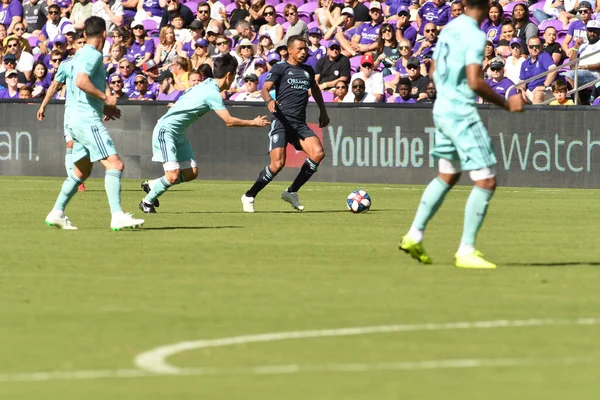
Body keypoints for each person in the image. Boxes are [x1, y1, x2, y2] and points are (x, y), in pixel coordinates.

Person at [399, 0, 523, 269]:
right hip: (460, 112)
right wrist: (507, 103)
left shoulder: (450, 28)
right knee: (486, 180)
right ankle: (466, 250)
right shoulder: (475, 35)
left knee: (448, 174)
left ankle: (414, 234)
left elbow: (431, 69)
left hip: (441, 108)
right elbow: (475, 81)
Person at [43, 16, 144, 231]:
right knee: (115, 165)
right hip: (86, 120)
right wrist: (106, 98)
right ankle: (117, 216)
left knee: (80, 172)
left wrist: (104, 106)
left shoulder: (80, 54)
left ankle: (57, 212)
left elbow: (80, 85)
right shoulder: (93, 54)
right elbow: (81, 81)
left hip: (75, 120)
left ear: (85, 35)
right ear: (104, 35)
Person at [138, 53, 269, 213]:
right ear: (229, 75)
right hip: (166, 131)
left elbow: (188, 93)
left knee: (191, 172)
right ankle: (147, 201)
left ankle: (152, 185)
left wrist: (178, 106)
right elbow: (228, 121)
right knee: (172, 175)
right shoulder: (212, 93)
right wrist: (253, 123)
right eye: (235, 75)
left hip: (177, 132)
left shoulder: (207, 83)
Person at [241, 35, 330, 213]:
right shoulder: (280, 68)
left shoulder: (308, 70)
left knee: (318, 153)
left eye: (305, 49)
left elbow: (315, 89)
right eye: (300, 49)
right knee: (277, 164)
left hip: (299, 124)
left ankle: (292, 191)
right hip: (282, 121)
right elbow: (265, 89)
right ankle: (249, 195)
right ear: (290, 50)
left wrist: (323, 111)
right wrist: (269, 102)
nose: (304, 52)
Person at [519, 36, 557, 104]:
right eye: (531, 46)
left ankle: (535, 114)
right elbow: (522, 83)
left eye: (537, 46)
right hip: (530, 91)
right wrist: (521, 90)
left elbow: (553, 70)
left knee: (538, 95)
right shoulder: (525, 63)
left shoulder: (544, 56)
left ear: (541, 46)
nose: (534, 49)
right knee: (515, 96)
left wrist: (544, 86)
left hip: (546, 89)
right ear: (528, 47)